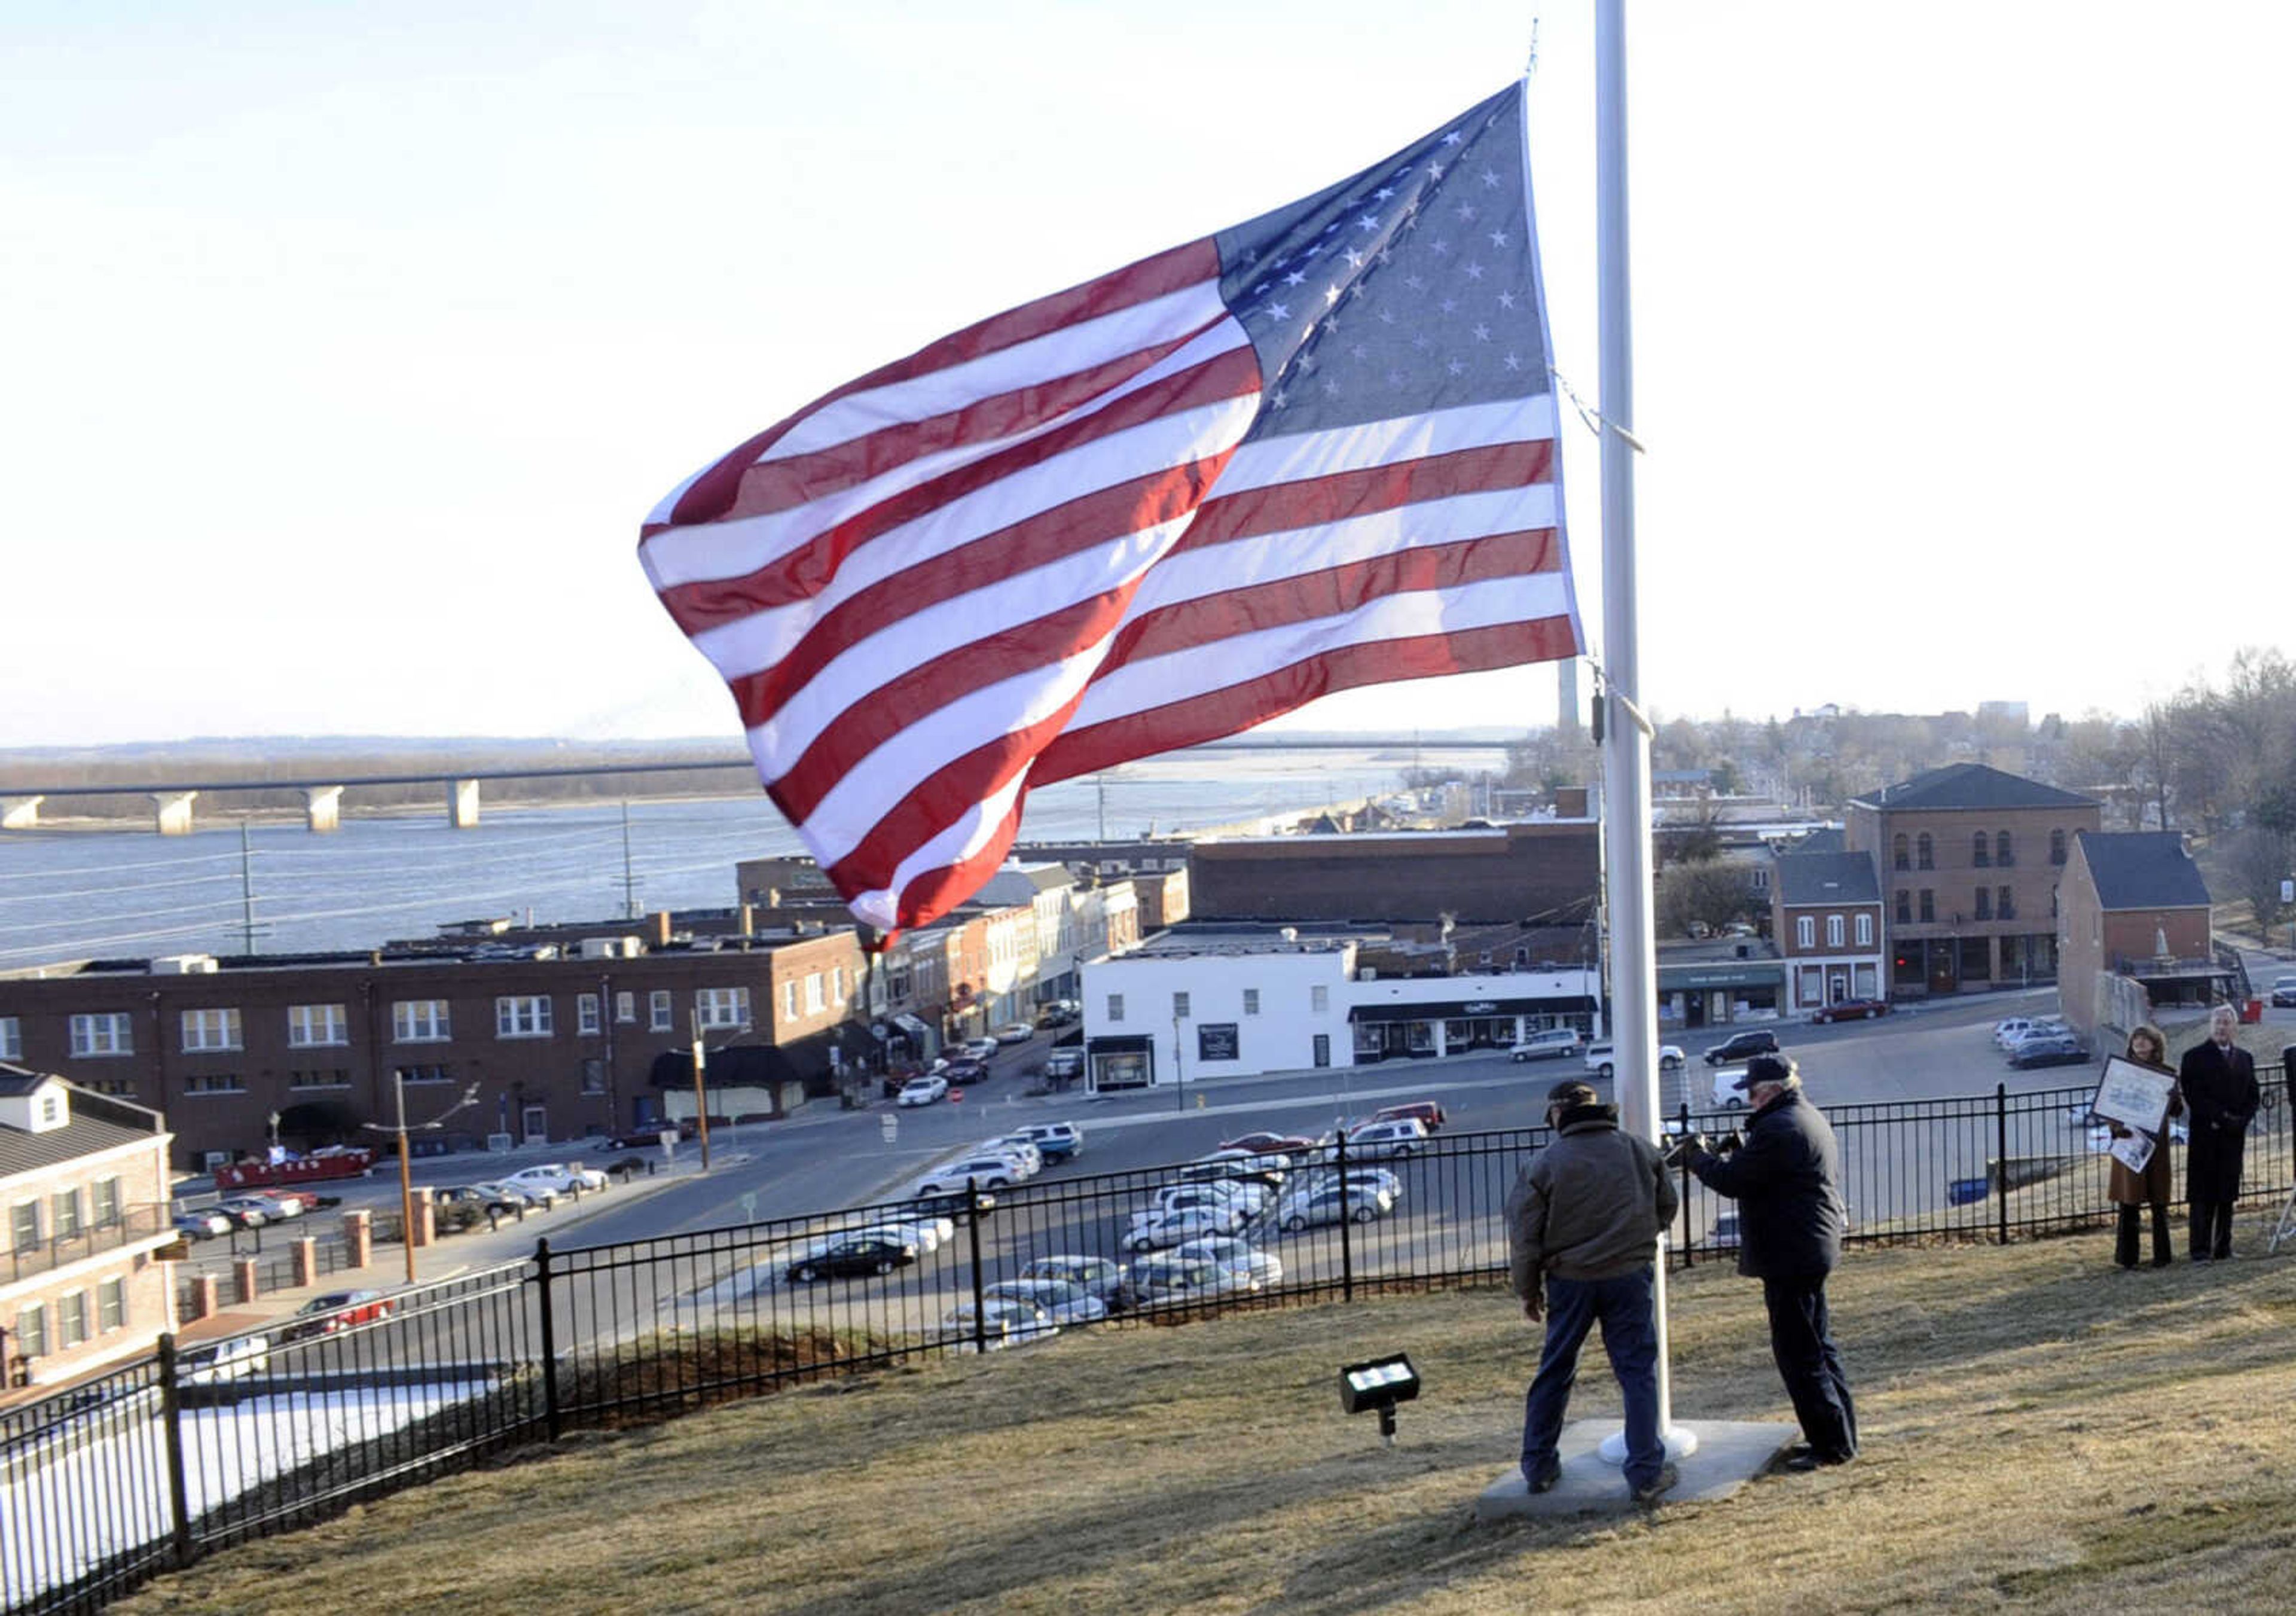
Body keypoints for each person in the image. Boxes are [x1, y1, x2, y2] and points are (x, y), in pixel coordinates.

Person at [1505, 1079, 1680, 1504]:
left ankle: (1539, 1465)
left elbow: (1526, 1237)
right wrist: (1635, 1244)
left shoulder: (1544, 1164)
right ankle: (1644, 1474)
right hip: (1629, 1278)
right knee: (1637, 1373)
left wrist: (1528, 1291)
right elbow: (1667, 1206)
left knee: (1556, 1370)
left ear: (1557, 1115)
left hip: (1571, 1283)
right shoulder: (1639, 1150)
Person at [1681, 1054, 1857, 1471]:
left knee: (1800, 1355)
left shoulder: (1779, 1128)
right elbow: (1767, 1173)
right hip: (1809, 1246)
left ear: (1773, 1090)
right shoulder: (1802, 1118)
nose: (1751, 1102)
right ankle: (1838, 1438)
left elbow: (1733, 1181)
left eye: (1755, 1094)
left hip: (1790, 1253)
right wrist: (1738, 1153)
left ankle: (1830, 1446)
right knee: (1819, 1348)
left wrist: (1697, 1157)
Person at [2178, 1004, 2258, 1261]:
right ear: (2210, 1026)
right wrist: (2222, 1117)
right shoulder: (2194, 1057)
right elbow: (2194, 1096)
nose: (2222, 1027)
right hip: (2206, 1134)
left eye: (2226, 1023)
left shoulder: (2245, 1058)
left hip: (2233, 1137)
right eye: (2217, 1023)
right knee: (2203, 1194)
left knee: (2227, 1192)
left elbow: (2253, 1095)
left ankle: (2223, 1247)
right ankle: (2200, 1250)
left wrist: (2242, 1120)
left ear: (2234, 1027)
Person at [2105, 1023, 2181, 1269]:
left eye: (2144, 1040)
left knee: (2159, 1202)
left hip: (2156, 1145)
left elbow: (2178, 1111)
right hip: (2129, 1141)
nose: (2139, 1044)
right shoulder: (2122, 1072)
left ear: (2155, 1044)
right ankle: (2128, 1258)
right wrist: (2117, 1129)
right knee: (2129, 1202)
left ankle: (2162, 1256)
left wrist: (2172, 1095)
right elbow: (2110, 1104)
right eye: (2136, 1039)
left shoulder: (2167, 1073)